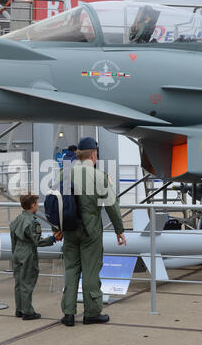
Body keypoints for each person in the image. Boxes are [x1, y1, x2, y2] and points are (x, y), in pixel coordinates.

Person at [61, 137, 126, 327]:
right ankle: (92, 312)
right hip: (91, 230)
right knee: (90, 271)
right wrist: (119, 230)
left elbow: (58, 203)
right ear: (94, 154)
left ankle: (68, 313)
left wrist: (58, 228)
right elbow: (112, 206)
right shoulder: (99, 177)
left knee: (71, 270)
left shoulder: (65, 174)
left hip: (69, 229)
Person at [10, 193, 62, 320]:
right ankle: (28, 311)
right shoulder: (32, 222)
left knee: (19, 282)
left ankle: (20, 309)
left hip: (17, 251)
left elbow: (13, 238)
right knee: (28, 282)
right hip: (28, 252)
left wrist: (15, 253)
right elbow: (37, 241)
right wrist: (53, 239)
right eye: (37, 203)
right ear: (33, 205)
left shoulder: (17, 219)